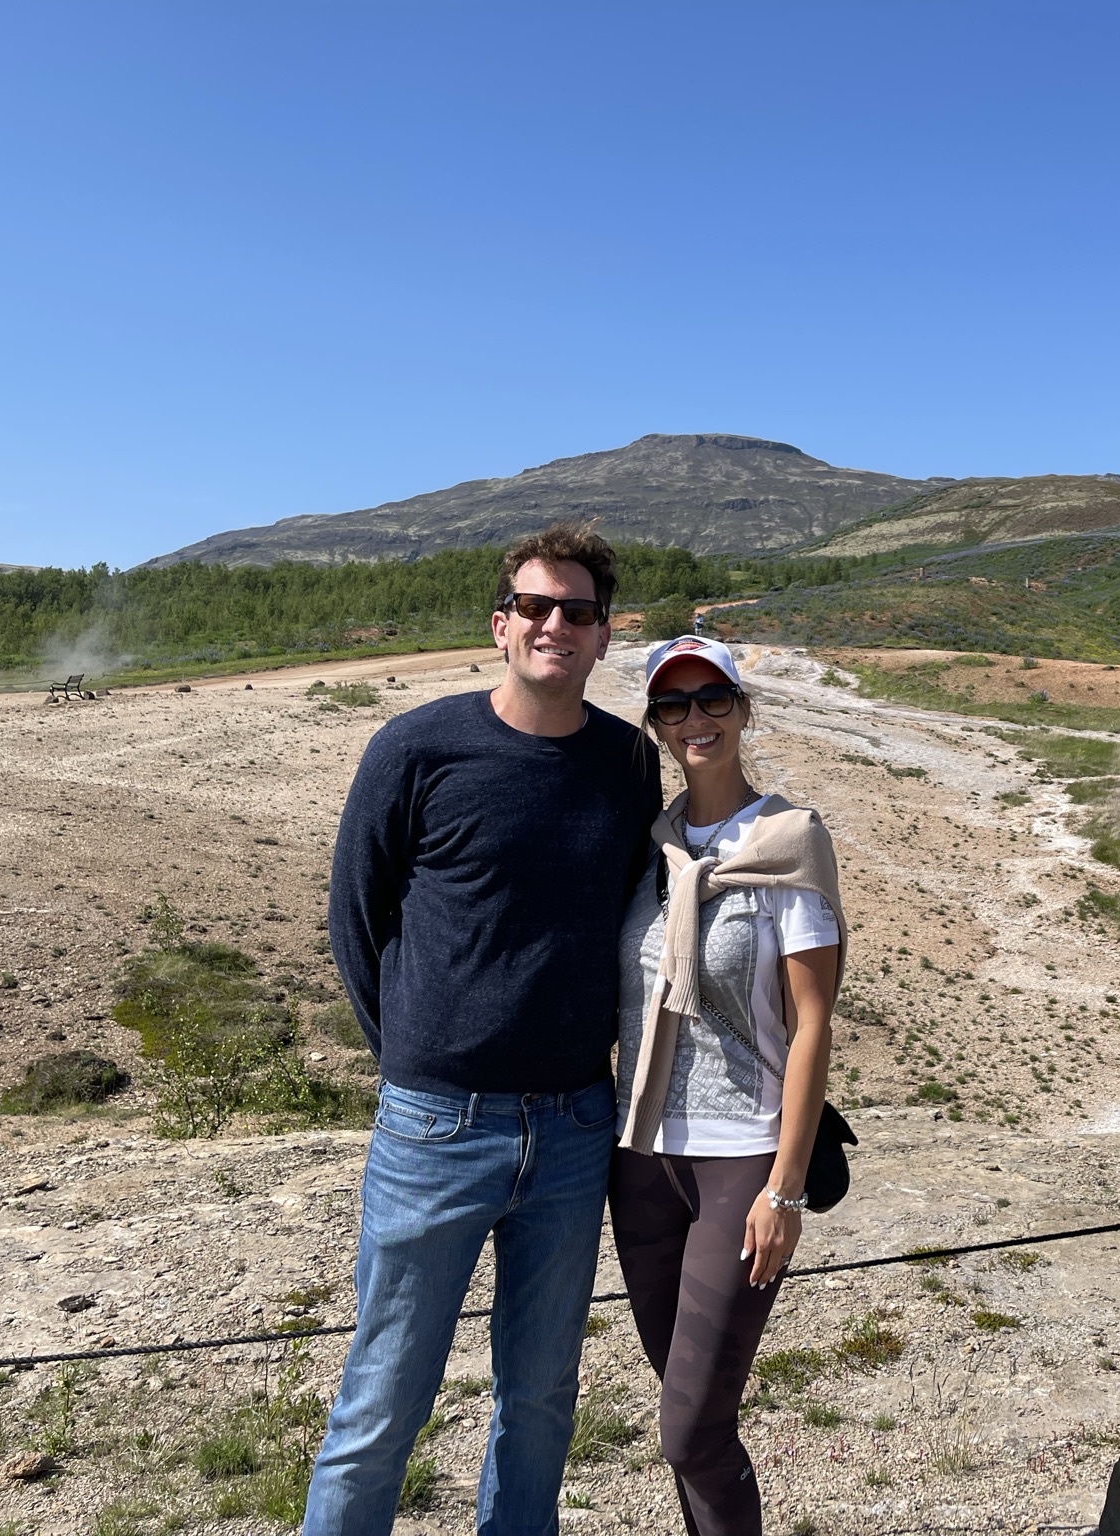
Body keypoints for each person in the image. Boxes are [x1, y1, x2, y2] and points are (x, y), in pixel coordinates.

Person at [305, 524, 662, 1536]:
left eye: (578, 611)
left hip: (574, 1127)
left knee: (541, 1400)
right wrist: (416, 1057)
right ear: (500, 625)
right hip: (434, 1126)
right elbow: (355, 918)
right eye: (536, 607)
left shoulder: (628, 763)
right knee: (381, 1403)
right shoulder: (415, 748)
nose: (556, 625)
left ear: (603, 636)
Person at [611, 635, 845, 1536]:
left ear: (744, 710)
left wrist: (785, 1190)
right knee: (689, 1416)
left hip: (741, 1160)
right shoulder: (652, 850)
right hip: (641, 1161)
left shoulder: (789, 844)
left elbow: (813, 1023)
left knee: (689, 1430)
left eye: (713, 698)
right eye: (673, 705)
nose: (695, 719)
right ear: (656, 726)